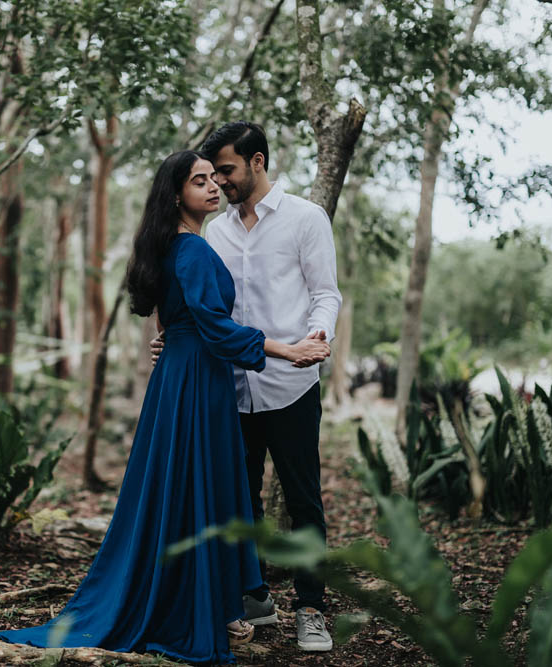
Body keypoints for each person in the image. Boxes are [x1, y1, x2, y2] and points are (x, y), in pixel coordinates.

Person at [0, 150, 330, 664]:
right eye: (200, 181)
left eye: (215, 177)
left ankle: (224, 603)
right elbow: (216, 326)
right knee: (201, 488)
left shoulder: (181, 244)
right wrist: (287, 348)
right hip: (197, 379)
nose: (213, 187)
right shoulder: (193, 249)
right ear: (177, 194)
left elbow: (176, 315)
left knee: (198, 487)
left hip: (188, 374)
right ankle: (202, 606)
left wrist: (172, 339)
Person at [153, 122, 341, 652]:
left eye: (227, 171)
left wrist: (317, 336)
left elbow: (326, 292)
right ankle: (252, 598)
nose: (221, 182)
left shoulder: (306, 218)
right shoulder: (215, 230)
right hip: (228, 387)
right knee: (239, 499)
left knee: (303, 500)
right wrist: (172, 341)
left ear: (257, 162)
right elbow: (203, 306)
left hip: (290, 381)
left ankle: (311, 609)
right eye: (211, 175)